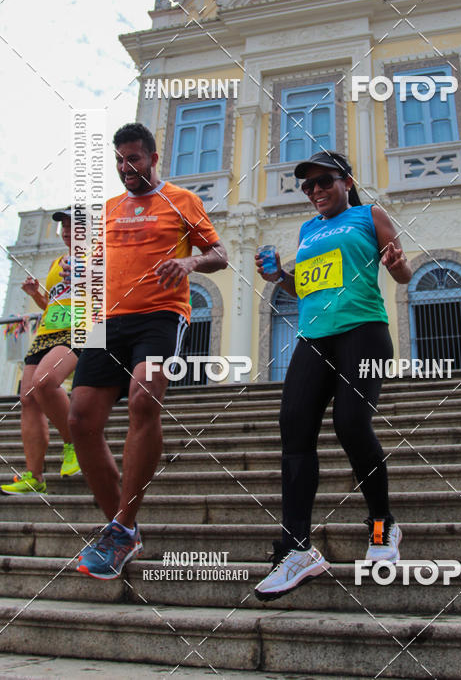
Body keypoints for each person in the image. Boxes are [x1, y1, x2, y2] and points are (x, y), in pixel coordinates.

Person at [69, 122, 228, 579]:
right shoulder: (109, 209)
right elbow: (96, 267)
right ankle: (123, 527)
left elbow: (219, 253)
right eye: (120, 160)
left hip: (161, 316)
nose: (126, 168)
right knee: (80, 420)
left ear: (153, 158)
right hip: (107, 322)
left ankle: (119, 529)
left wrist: (190, 260)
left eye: (134, 158)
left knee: (144, 398)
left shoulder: (182, 200)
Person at [254, 151, 412, 601]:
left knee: (350, 425)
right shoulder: (308, 230)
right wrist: (279, 276)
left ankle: (383, 527)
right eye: (308, 187)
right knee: (294, 429)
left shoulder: (369, 214)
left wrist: (398, 263)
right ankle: (298, 548)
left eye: (324, 182)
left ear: (346, 180)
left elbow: (402, 273)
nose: (316, 192)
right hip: (314, 336)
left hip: (364, 332)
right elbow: (305, 287)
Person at [1, 209, 80, 495]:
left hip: (80, 330)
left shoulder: (101, 256)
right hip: (46, 332)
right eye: (64, 227)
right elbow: (53, 304)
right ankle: (35, 477)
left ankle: (75, 442)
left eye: (75, 226)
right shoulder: (57, 262)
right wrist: (37, 294)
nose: (68, 231)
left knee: (45, 381)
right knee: (28, 399)